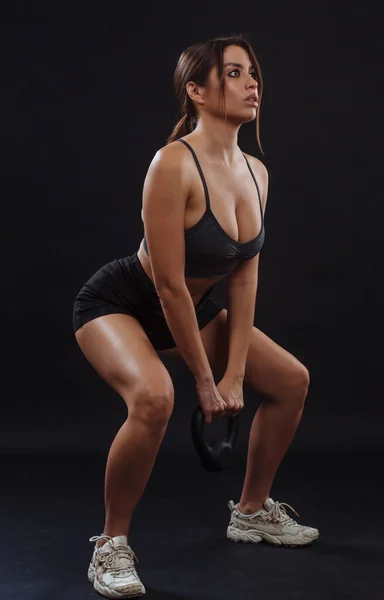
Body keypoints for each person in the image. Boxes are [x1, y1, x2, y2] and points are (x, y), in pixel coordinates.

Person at [73, 34, 319, 600]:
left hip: (194, 306)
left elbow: (245, 276)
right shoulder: (172, 164)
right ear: (196, 91)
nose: (252, 82)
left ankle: (252, 512)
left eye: (253, 72)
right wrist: (207, 383)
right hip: (124, 303)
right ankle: (111, 546)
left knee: (290, 381)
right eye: (234, 73)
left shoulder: (257, 173)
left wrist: (235, 375)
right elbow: (166, 285)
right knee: (156, 397)